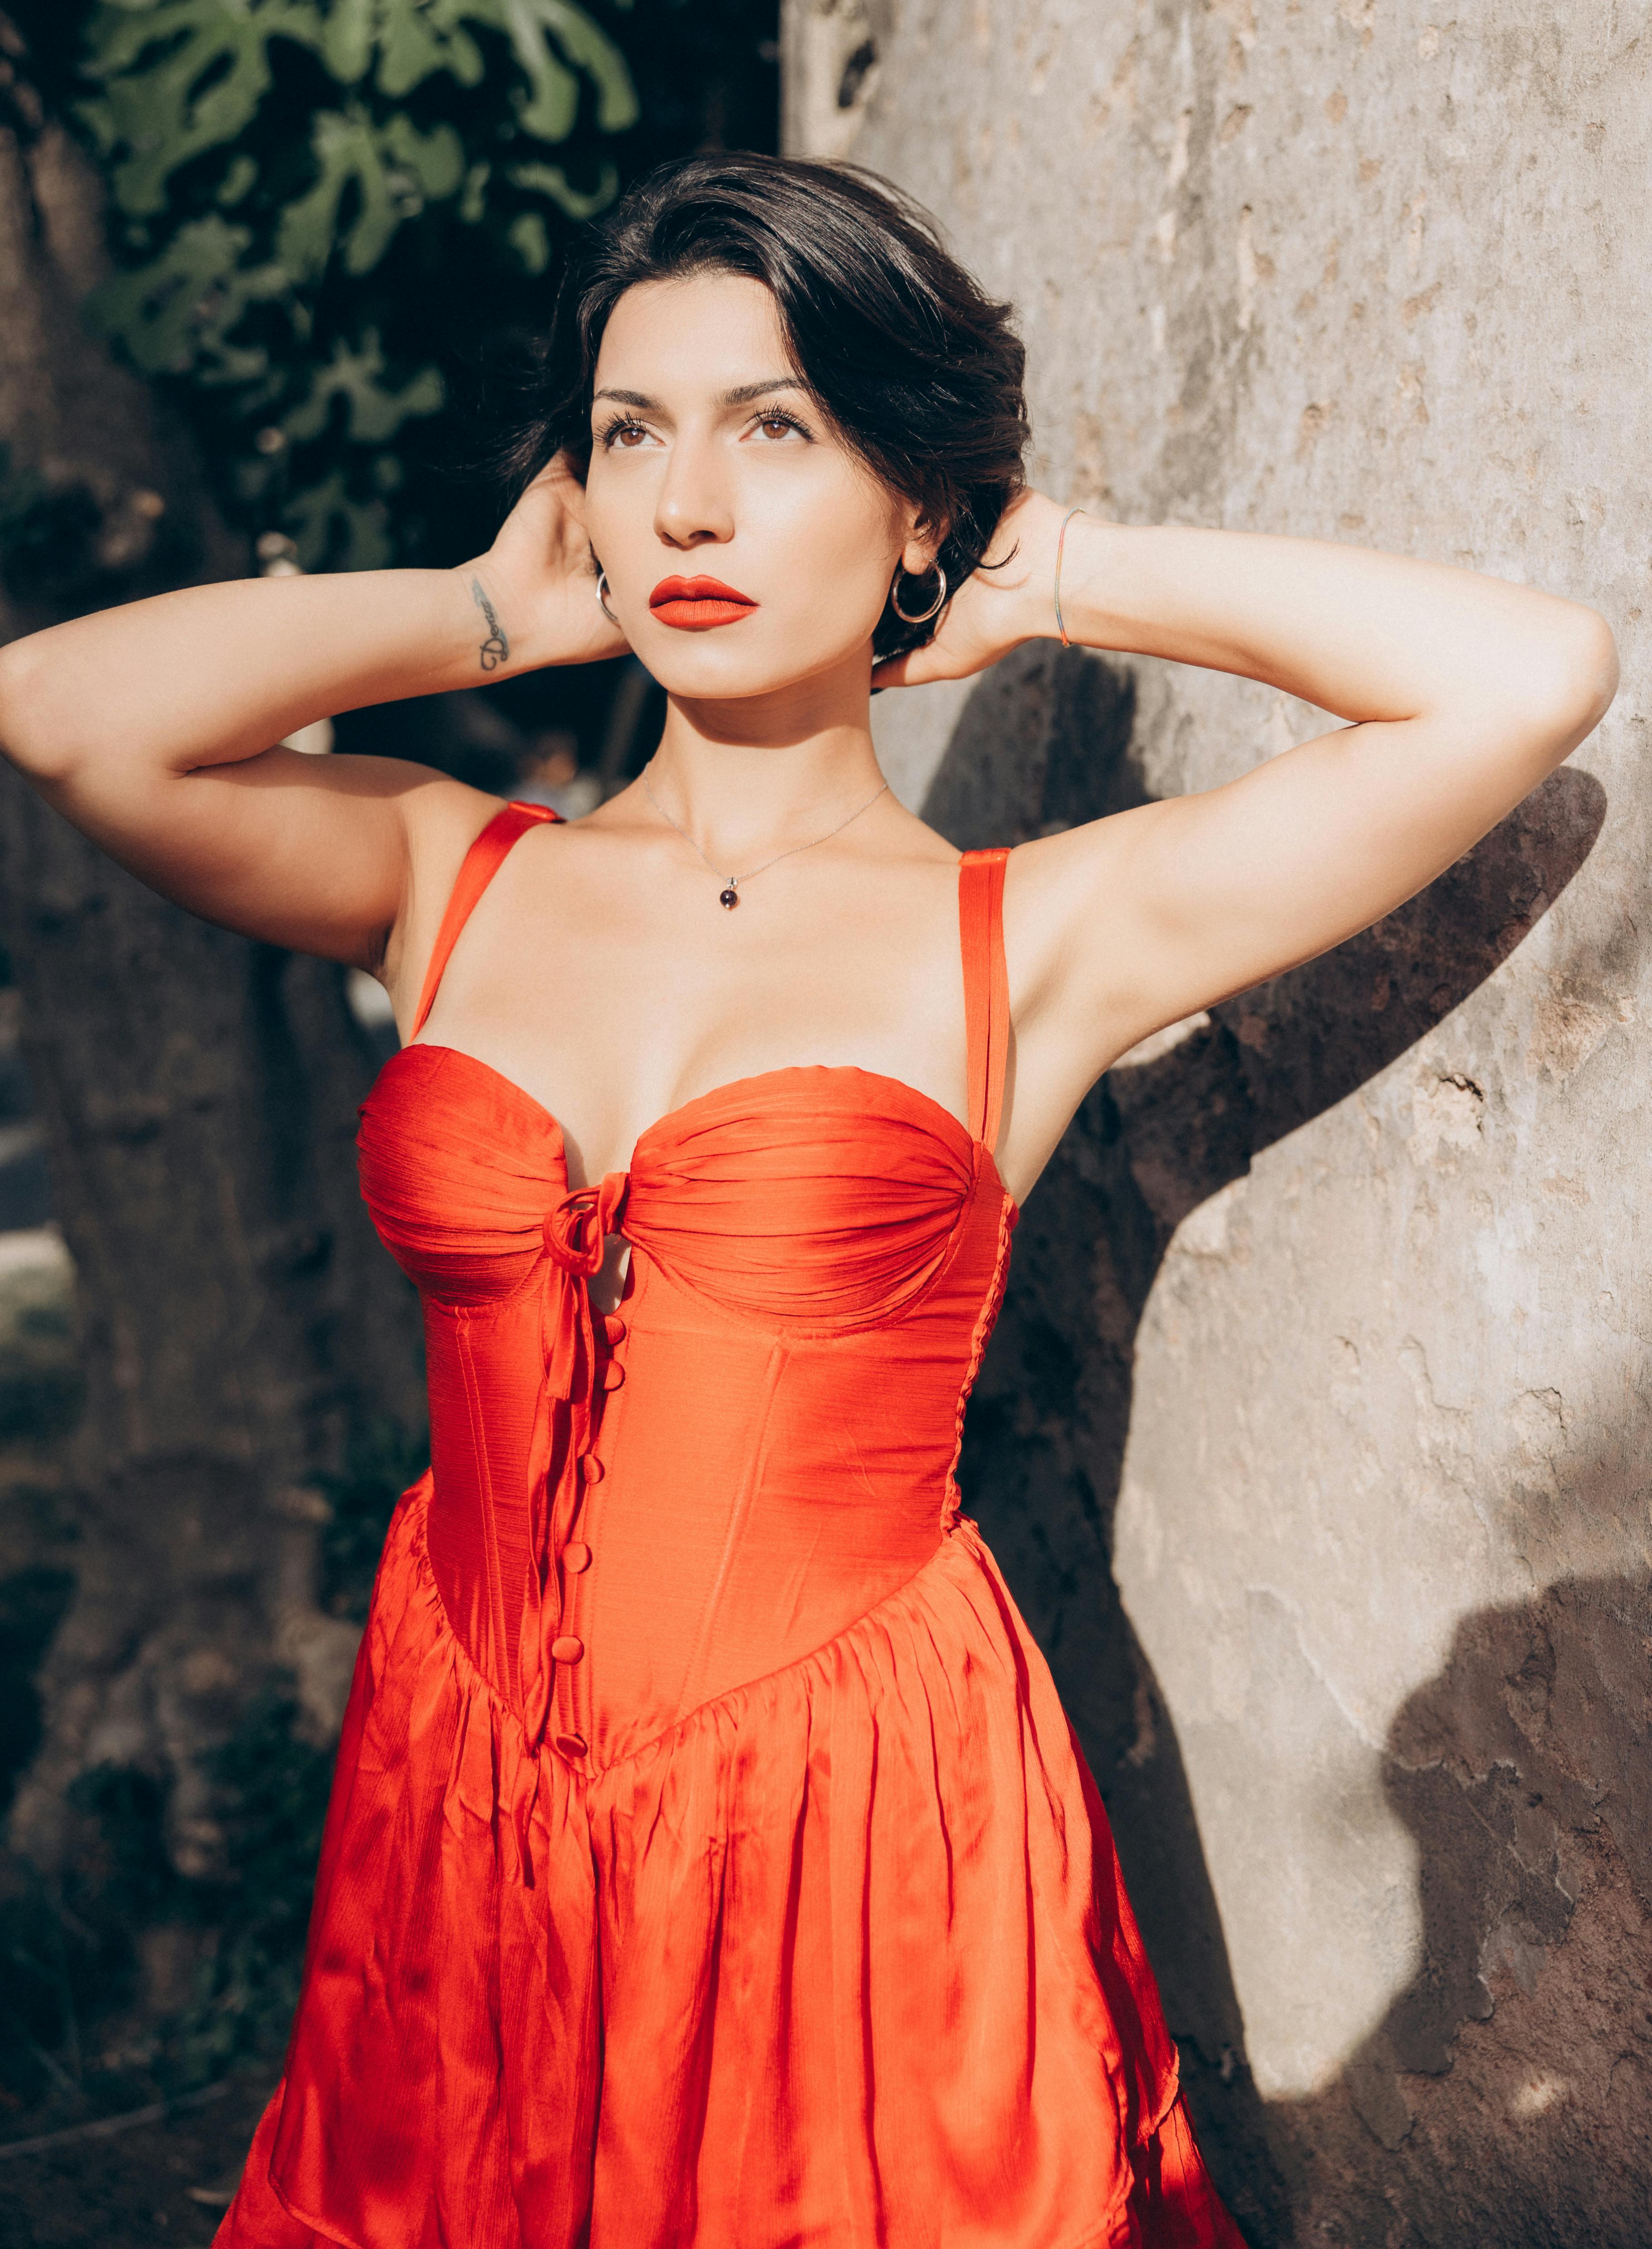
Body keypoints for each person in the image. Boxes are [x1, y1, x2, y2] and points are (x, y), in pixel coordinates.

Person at [0, 153, 1614, 2248]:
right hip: (459, 1783)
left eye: (778, 430)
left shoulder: (1025, 938)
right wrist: (488, 608)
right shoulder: (447, 867)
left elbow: (1528, 678)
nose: (686, 505)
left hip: (842, 1820)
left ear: (912, 498)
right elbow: (60, 713)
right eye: (629, 434)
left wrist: (1050, 582)